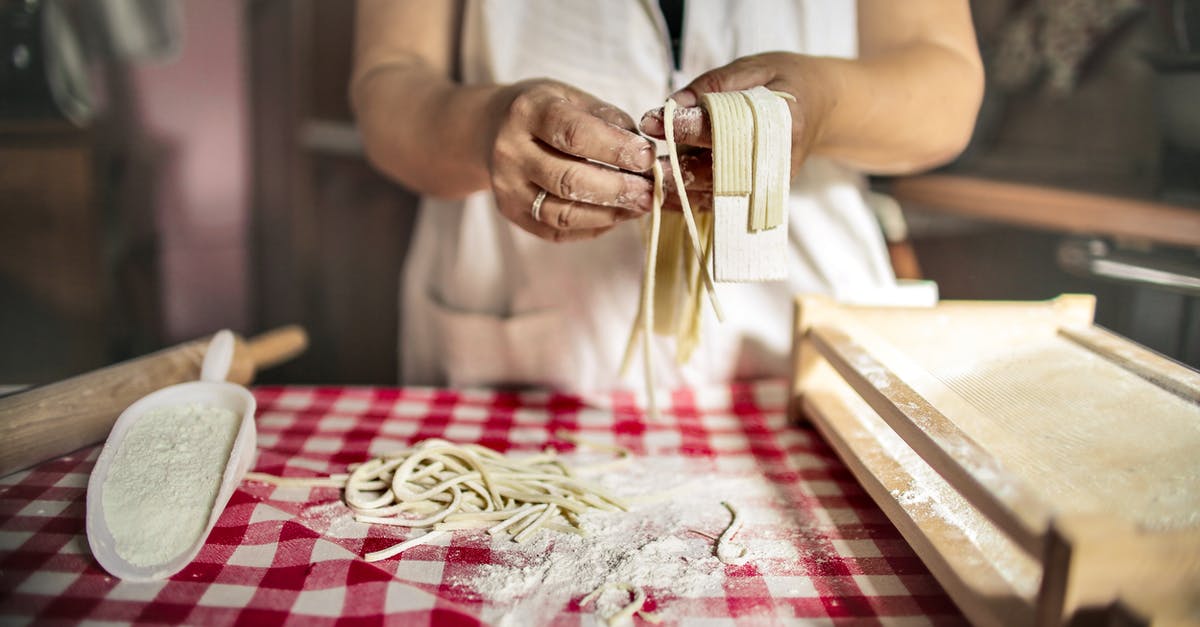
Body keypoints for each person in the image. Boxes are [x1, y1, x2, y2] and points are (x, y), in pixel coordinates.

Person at [352, 0, 983, 392]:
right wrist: (483, 126)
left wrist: (828, 99)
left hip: (800, 355)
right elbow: (387, 84)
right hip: (524, 340)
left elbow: (946, 89)